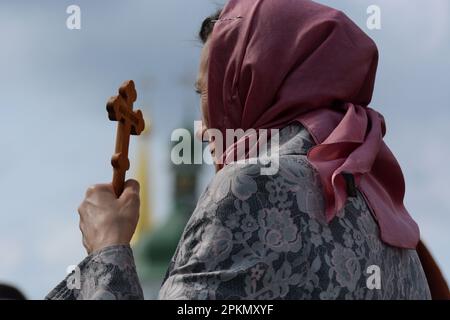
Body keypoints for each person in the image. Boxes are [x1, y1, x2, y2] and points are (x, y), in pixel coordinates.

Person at [47, 0, 445, 300]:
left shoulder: (250, 187)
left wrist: (108, 249)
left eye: (211, 92)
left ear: (248, 87)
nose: (204, 131)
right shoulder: (383, 211)